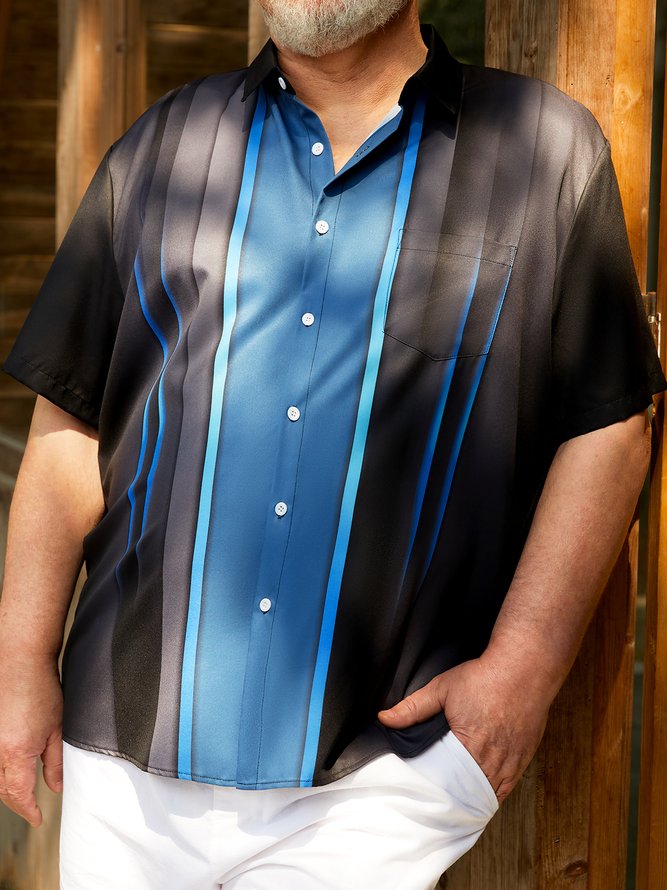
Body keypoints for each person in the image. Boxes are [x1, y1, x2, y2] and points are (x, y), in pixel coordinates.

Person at [0, 0, 664, 887]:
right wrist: (19, 666)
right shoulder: (164, 145)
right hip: (125, 767)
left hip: (378, 782)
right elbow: (72, 421)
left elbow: (608, 424)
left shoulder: (542, 150)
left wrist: (523, 671)